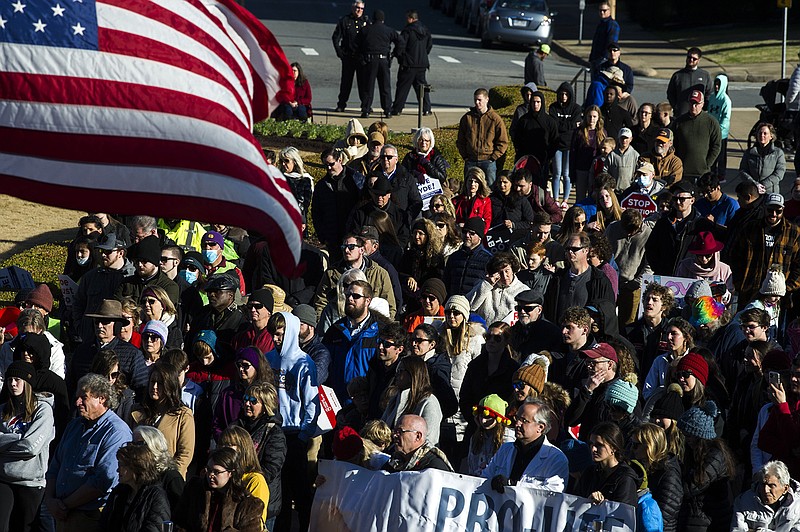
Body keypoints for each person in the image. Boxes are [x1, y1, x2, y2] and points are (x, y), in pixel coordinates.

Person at [45, 374, 132, 532]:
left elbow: (103, 480)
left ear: (102, 399)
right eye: (77, 397)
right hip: (61, 515)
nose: (77, 402)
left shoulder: (116, 432)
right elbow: (55, 465)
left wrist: (64, 505)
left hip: (89, 518)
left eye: (83, 397)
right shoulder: (74, 426)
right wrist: (50, 500)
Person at [0, 361, 55, 532]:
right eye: (9, 380)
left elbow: (31, 447)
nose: (13, 384)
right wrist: (18, 438)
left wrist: (5, 442)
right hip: (3, 478)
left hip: (31, 482)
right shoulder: (3, 409)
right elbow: (24, 443)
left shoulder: (43, 410)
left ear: (28, 382)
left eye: (17, 379)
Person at [230, 382, 286, 530]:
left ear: (265, 405)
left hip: (262, 498)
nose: (247, 403)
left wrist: (249, 480)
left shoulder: (275, 433)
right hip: (236, 494)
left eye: (253, 401)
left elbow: (271, 468)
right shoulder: (237, 426)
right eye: (246, 398)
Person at [729, 193, 800, 307]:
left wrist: (786, 287)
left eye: (778, 211)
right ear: (764, 208)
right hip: (750, 291)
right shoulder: (749, 228)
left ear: (783, 210)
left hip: (778, 296)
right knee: (748, 323)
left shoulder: (794, 232)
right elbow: (735, 257)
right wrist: (739, 283)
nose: (774, 214)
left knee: (773, 325)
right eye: (770, 210)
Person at [483, 399, 569, 492]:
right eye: (517, 418)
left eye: (524, 420)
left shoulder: (556, 458)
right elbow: (485, 477)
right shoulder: (505, 449)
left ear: (540, 427)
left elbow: (553, 494)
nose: (517, 424)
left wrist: (514, 485)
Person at [174, 447, 264, 532]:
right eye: (209, 470)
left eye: (217, 472)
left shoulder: (248, 505)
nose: (210, 475)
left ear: (231, 473)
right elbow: (179, 522)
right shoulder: (194, 489)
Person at [129, 363, 195, 478]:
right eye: (152, 382)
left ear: (170, 385)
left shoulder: (183, 415)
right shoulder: (136, 412)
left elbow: (185, 454)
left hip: (168, 481)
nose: (154, 387)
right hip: (139, 478)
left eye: (160, 383)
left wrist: (169, 478)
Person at [677, 401, 736, 530]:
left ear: (700, 436)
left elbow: (693, 485)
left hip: (712, 520)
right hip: (697, 517)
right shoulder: (693, 452)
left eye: (689, 435)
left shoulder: (715, 456)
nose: (686, 439)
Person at [322, 279, 381, 402]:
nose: (350, 299)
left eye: (356, 296)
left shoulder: (379, 332)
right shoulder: (335, 330)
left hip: (367, 402)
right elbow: (324, 366)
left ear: (367, 301)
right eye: (348, 295)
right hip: (337, 402)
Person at [543, 232, 615, 324]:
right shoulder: (558, 278)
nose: (570, 252)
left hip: (585, 334)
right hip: (558, 332)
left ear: (586, 250)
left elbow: (607, 310)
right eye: (568, 249)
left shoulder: (598, 279)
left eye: (574, 249)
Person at [99, 443, 171, 532]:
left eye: (121, 465)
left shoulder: (155, 496)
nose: (118, 470)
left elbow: (155, 528)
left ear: (136, 467)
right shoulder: (119, 492)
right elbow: (104, 524)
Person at [311, 147, 364, 262]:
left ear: (340, 160)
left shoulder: (355, 179)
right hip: (332, 238)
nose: (329, 168)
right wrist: (322, 236)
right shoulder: (322, 186)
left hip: (353, 237)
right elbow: (316, 212)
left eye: (331, 164)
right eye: (326, 165)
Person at [630, 423, 683, 532]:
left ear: (650, 446)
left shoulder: (668, 473)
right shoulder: (640, 467)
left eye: (636, 445)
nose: (632, 449)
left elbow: (666, 512)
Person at [645, 180, 703, 276]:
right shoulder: (663, 223)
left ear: (692, 200)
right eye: (675, 199)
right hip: (665, 276)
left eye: (682, 199)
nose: (678, 202)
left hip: (690, 277)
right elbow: (651, 248)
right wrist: (659, 269)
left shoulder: (700, 225)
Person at [381, 356, 442, 446]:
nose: (396, 374)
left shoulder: (429, 402)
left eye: (401, 371)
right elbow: (383, 427)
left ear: (413, 374)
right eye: (397, 371)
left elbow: (430, 440)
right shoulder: (395, 399)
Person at [575, 421, 638, 507]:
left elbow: (624, 514)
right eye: (591, 444)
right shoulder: (589, 472)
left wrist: (606, 506)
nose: (593, 449)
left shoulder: (625, 478)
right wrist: (587, 502)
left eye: (599, 445)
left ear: (614, 447)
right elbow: (574, 503)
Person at [218, 426, 270, 528]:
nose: (223, 450)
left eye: (228, 445)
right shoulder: (219, 476)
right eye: (220, 446)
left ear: (243, 449)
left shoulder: (255, 481)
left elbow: (254, 523)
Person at [456, 88, 508, 187]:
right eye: (475, 100)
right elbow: (460, 140)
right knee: (469, 188)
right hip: (471, 160)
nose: (477, 102)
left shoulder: (495, 119)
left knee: (490, 188)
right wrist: (465, 156)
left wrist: (493, 157)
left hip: (488, 161)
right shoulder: (467, 118)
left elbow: (503, 141)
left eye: (479, 100)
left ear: (487, 99)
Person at [732, 460, 800, 531]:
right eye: (762, 484)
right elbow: (737, 530)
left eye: (771, 485)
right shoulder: (743, 501)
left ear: (785, 488)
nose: (765, 490)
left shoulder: (797, 505)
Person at [672, 89, 722, 182]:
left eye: (696, 104)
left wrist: (707, 164)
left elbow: (716, 145)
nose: (693, 106)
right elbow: (673, 144)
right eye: (691, 103)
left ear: (702, 104)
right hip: (682, 171)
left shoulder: (711, 122)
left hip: (702, 172)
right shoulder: (679, 122)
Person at [467, 252, 529, 324]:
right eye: (500, 272)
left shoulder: (523, 290)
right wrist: (487, 284)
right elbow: (469, 306)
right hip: (485, 331)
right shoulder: (484, 285)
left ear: (512, 270)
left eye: (507, 271)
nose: (504, 276)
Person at [391, 10, 432, 117]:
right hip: (422, 64)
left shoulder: (408, 31)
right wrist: (423, 55)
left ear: (410, 18)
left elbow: (401, 46)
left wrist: (400, 57)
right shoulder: (425, 30)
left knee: (403, 87)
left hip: (409, 64)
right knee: (422, 88)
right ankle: (426, 108)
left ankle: (397, 108)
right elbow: (429, 45)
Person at [358, 9, 397, 118]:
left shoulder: (366, 30)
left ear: (373, 18)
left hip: (370, 60)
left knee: (368, 87)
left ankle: (366, 110)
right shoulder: (388, 30)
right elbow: (400, 41)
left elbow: (357, 44)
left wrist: (362, 56)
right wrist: (394, 53)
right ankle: (387, 110)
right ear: (383, 19)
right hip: (384, 60)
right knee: (385, 86)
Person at [332, 0, 370, 113]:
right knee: (346, 83)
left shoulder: (366, 22)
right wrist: (339, 52)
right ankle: (341, 104)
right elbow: (336, 37)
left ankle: (365, 105)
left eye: (362, 8)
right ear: (353, 8)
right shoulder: (345, 21)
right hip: (348, 56)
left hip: (361, 57)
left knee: (363, 83)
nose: (359, 10)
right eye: (357, 8)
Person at [549, 82, 583, 205]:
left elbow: (574, 124)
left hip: (570, 145)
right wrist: (570, 124)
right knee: (557, 173)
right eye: (562, 94)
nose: (564, 96)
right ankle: (556, 199)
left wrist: (565, 125)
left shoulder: (576, 108)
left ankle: (565, 200)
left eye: (566, 94)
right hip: (557, 145)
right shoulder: (553, 107)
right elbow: (554, 125)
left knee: (566, 174)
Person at [382, 414, 453, 472]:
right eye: (395, 431)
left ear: (418, 436)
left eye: (400, 432)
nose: (394, 435)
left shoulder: (434, 468)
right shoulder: (394, 462)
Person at [465, 394, 514, 476]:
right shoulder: (476, 437)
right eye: (481, 416)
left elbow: (507, 467)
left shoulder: (507, 438)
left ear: (498, 418)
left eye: (488, 417)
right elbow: (471, 466)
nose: (483, 421)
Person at [443, 217, 493, 296]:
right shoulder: (454, 257)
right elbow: (446, 282)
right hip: (454, 303)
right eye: (465, 231)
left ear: (480, 236)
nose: (467, 235)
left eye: (472, 233)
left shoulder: (489, 260)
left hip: (475, 305)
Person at [511, 91, 559, 172]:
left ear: (542, 103)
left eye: (538, 102)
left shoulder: (549, 121)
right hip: (526, 159)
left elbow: (554, 140)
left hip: (543, 159)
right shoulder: (524, 120)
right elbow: (517, 138)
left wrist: (548, 155)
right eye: (533, 102)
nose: (535, 104)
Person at [739, 122, 787, 195]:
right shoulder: (749, 153)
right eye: (760, 133)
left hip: (771, 192)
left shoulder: (778, 153)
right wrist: (754, 184)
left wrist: (763, 185)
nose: (762, 135)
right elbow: (743, 170)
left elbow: (779, 173)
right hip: (753, 192)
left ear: (771, 136)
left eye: (765, 133)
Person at [571, 105, 607, 201]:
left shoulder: (602, 132)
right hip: (581, 168)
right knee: (580, 197)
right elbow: (573, 152)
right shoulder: (579, 132)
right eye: (589, 116)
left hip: (596, 170)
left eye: (594, 116)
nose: (592, 119)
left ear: (598, 117)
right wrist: (572, 173)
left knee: (594, 197)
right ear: (586, 117)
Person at [667, 47, 712, 116]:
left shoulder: (705, 75)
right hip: (681, 114)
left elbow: (709, 93)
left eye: (694, 59)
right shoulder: (677, 75)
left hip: (698, 115)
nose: (691, 60)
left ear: (699, 60)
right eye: (689, 57)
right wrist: (676, 107)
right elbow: (670, 93)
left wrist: (704, 108)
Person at [453, 166, 492, 234]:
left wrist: (479, 235)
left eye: (476, 182)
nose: (472, 184)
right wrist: (457, 226)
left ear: (480, 183)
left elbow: (487, 221)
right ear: (466, 182)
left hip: (476, 237)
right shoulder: (456, 201)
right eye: (470, 181)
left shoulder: (485, 201)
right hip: (459, 234)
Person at [278, 147, 314, 220]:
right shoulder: (278, 177)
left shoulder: (305, 179)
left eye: (286, 161)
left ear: (294, 161)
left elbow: (305, 204)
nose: (283, 164)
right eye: (281, 161)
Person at [707, 74, 731, 183]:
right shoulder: (712, 97)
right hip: (711, 131)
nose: (717, 87)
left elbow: (726, 118)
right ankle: (711, 172)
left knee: (721, 155)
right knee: (711, 153)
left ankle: (721, 175)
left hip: (721, 133)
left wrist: (719, 130)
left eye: (719, 85)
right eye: (716, 84)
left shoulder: (726, 100)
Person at [589, 1, 620, 66]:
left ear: (609, 11)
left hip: (605, 61)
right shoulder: (601, 24)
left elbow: (611, 44)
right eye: (600, 10)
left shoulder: (612, 25)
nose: (602, 12)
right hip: (595, 59)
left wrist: (604, 59)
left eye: (604, 10)